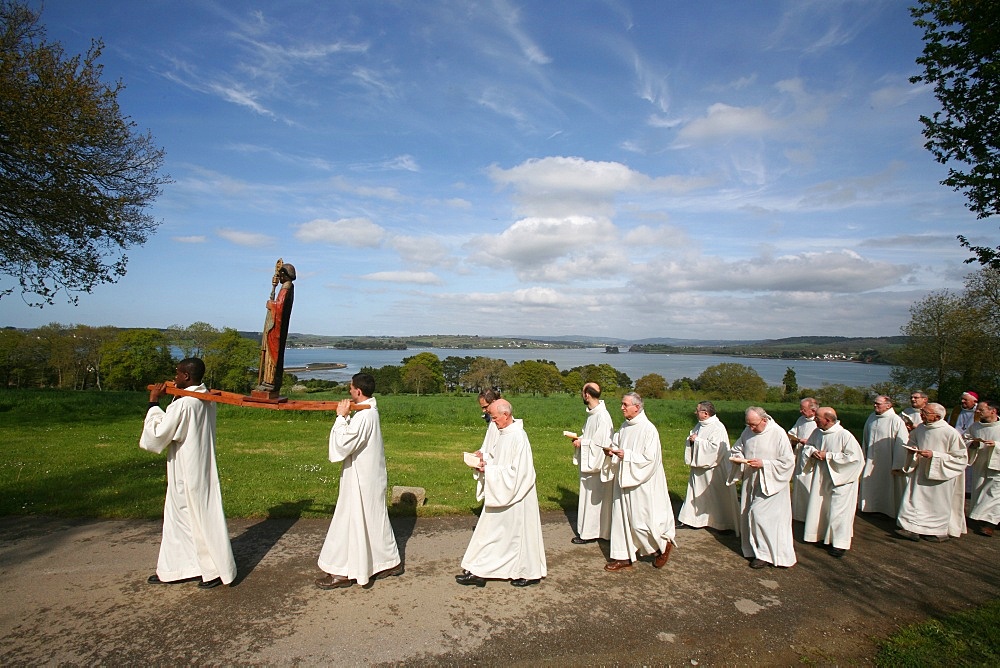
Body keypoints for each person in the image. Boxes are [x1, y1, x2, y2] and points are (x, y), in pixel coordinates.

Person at [141, 358, 237, 589]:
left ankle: (214, 569)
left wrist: (153, 403)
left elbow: (159, 434)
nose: (174, 377)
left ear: (185, 376)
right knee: (181, 517)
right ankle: (179, 567)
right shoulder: (205, 397)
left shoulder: (185, 404)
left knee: (198, 516)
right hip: (196, 462)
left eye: (177, 374)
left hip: (187, 466)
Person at [316, 373, 402, 589]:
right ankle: (389, 562)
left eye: (350, 388)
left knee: (351, 521)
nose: (349, 391)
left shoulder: (365, 415)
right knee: (373, 521)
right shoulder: (369, 411)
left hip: (363, 479)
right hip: (366, 475)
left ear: (358, 391)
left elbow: (343, 444)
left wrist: (341, 417)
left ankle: (343, 571)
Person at [457, 399, 547, 587]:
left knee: (516, 537)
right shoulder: (504, 433)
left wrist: (489, 471)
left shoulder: (518, 436)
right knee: (490, 532)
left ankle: (528, 572)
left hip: (518, 495)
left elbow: (519, 472)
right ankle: (480, 570)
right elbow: (499, 460)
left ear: (506, 415)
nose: (493, 421)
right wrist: (484, 463)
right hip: (502, 489)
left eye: (495, 417)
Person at [603, 392, 676, 572]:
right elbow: (617, 444)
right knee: (620, 519)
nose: (622, 407)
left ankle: (662, 545)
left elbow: (650, 459)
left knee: (640, 522)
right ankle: (623, 556)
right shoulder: (625, 427)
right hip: (623, 479)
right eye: (622, 404)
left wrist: (626, 455)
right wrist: (611, 452)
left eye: (625, 404)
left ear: (637, 407)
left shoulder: (648, 430)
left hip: (641, 482)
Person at [728, 407, 796, 569]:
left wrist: (764, 464)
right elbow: (738, 448)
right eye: (748, 424)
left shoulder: (778, 433)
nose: (751, 428)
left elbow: (787, 462)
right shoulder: (748, 431)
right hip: (752, 480)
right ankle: (754, 549)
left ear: (764, 420)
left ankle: (766, 554)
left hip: (772, 483)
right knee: (749, 514)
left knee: (759, 515)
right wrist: (739, 458)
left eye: (754, 425)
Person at [896, 403, 969, 542]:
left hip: (941, 475)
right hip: (921, 471)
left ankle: (935, 531)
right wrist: (913, 449)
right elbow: (912, 441)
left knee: (937, 504)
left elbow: (960, 458)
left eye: (925, 412)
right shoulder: (921, 428)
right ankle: (911, 528)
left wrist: (934, 455)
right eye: (922, 411)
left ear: (937, 416)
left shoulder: (950, 433)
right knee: (914, 500)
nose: (921, 414)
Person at [801, 407, 864, 558]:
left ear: (828, 420)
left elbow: (855, 459)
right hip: (822, 476)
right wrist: (812, 452)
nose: (815, 420)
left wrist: (828, 456)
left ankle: (839, 543)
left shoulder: (844, 435)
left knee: (838, 512)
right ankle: (823, 536)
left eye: (818, 418)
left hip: (841, 479)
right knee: (822, 507)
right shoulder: (817, 432)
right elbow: (808, 446)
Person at [677, 401, 739, 533]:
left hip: (714, 468)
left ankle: (721, 523)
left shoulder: (717, 427)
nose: (695, 412)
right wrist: (692, 440)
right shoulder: (700, 425)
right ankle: (693, 520)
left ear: (705, 413)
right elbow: (694, 437)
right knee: (695, 492)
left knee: (716, 495)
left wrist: (697, 441)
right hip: (699, 467)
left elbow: (715, 448)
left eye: (697, 410)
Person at [569, 382, 614, 544]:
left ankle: (591, 533)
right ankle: (591, 531)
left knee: (595, 499)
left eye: (583, 392)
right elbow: (590, 436)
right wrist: (580, 439)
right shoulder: (593, 415)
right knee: (589, 498)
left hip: (597, 465)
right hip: (589, 463)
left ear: (587, 394)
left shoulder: (602, 416)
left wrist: (583, 443)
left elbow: (602, 443)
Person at [857, 395, 909, 517]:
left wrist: (898, 464)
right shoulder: (871, 417)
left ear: (888, 405)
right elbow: (866, 437)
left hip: (888, 460)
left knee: (887, 486)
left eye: (878, 404)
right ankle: (870, 507)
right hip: (871, 458)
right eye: (874, 403)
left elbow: (902, 444)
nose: (875, 405)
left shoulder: (895, 420)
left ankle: (886, 511)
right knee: (871, 483)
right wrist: (864, 454)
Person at [255, 261, 296, 396]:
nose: (280, 278)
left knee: (272, 354)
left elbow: (280, 307)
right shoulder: (285, 287)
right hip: (278, 326)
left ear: (284, 274)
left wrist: (271, 304)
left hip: (276, 328)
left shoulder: (286, 288)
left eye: (281, 275)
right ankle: (268, 381)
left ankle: (270, 381)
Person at [967, 398, 1000, 537]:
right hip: (980, 464)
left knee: (994, 494)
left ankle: (990, 524)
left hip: (997, 466)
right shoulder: (975, 427)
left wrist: (997, 445)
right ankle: (982, 518)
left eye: (981, 409)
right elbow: (965, 439)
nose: (978, 411)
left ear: (993, 411)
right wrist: (973, 444)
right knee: (980, 490)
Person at [787, 398, 819, 522]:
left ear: (813, 410)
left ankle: (809, 515)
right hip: (800, 454)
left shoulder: (819, 421)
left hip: (812, 459)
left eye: (803, 409)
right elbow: (791, 433)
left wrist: (809, 443)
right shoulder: (801, 420)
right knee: (799, 481)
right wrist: (797, 440)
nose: (801, 411)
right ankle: (798, 513)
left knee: (809, 484)